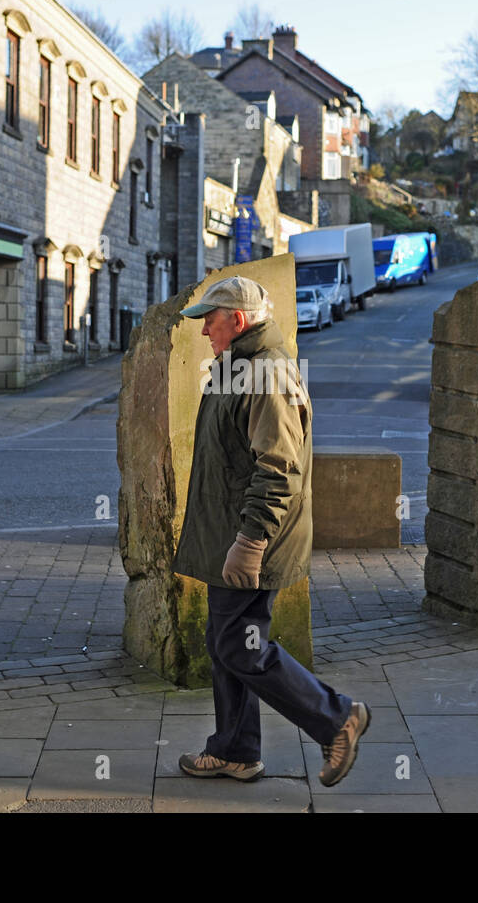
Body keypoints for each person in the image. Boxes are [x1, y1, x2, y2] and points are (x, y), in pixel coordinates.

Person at [171, 275, 369, 787]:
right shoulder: (239, 367)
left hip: (254, 540)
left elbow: (278, 468)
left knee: (239, 643)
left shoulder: (265, 375)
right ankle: (236, 750)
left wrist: (250, 541)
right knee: (223, 640)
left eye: (209, 322)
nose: (202, 333)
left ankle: (335, 717)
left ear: (236, 321)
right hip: (231, 535)